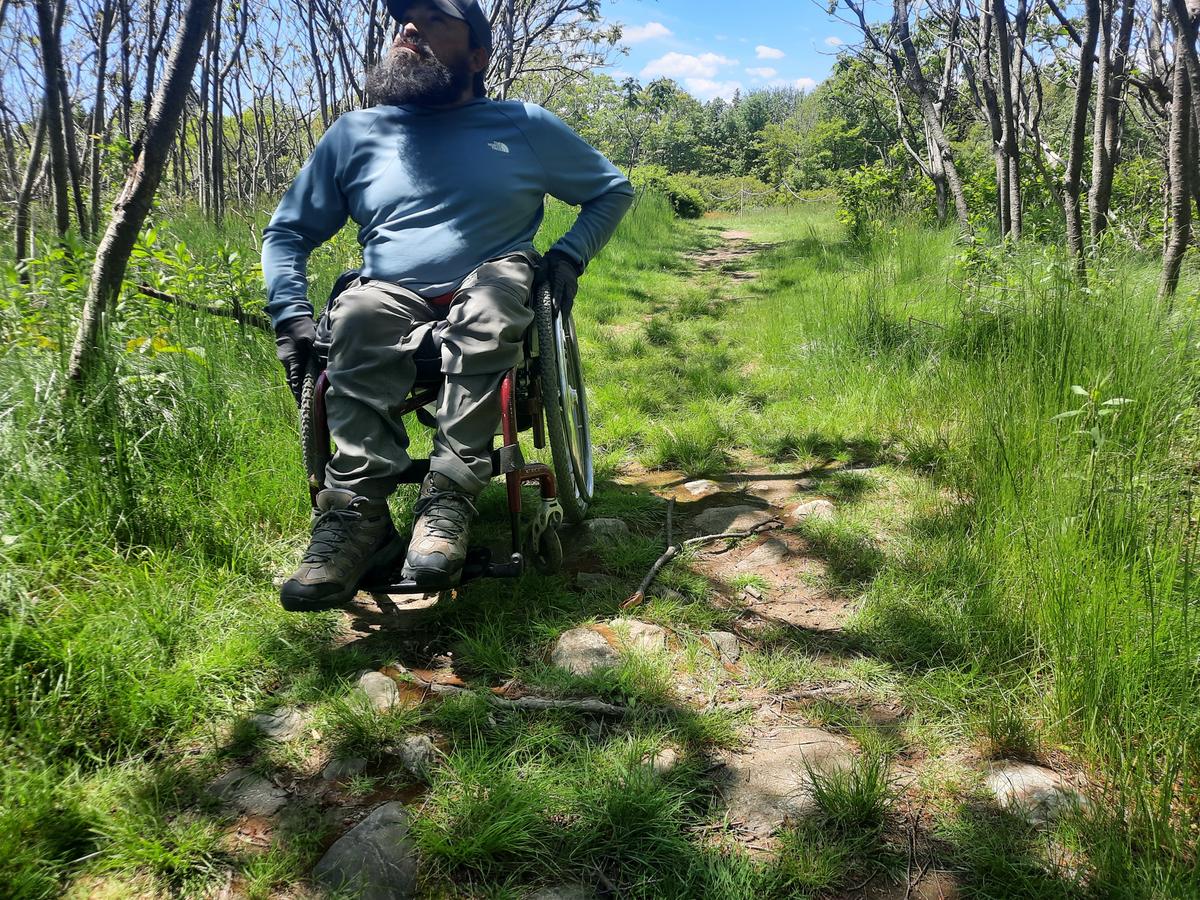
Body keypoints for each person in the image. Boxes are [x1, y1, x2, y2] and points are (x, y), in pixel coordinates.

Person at [262, 0, 633, 611]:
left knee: (491, 302)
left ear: (478, 56)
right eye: (404, 16)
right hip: (389, 290)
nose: (410, 25)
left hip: (493, 273)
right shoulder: (355, 135)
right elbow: (287, 232)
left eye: (435, 18)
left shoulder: (522, 125)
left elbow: (610, 189)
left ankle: (450, 499)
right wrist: (290, 316)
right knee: (353, 315)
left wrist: (569, 257)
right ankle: (357, 519)